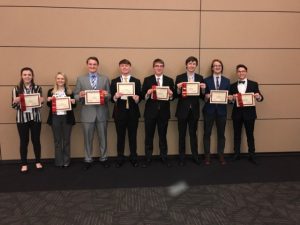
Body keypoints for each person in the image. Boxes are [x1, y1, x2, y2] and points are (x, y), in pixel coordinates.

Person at [73, 56, 111, 170]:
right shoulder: (80, 79)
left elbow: (109, 95)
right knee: (87, 138)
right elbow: (75, 95)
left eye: (94, 64)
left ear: (97, 66)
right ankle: (88, 159)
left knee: (103, 137)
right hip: (87, 113)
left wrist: (106, 94)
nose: (92, 66)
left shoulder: (105, 79)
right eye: (90, 64)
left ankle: (104, 158)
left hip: (101, 112)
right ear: (87, 65)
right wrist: (80, 95)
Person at [141, 58, 175, 168]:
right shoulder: (147, 80)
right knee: (149, 136)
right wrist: (147, 93)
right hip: (150, 113)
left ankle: (164, 157)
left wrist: (171, 94)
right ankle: (148, 157)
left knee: (163, 136)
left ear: (163, 67)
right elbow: (143, 96)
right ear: (153, 67)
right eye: (157, 66)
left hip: (164, 113)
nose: (159, 68)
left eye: (161, 66)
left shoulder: (169, 80)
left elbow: (172, 98)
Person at [175, 56, 206, 166]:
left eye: (194, 63)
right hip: (182, 110)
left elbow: (202, 96)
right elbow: (176, 95)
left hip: (194, 111)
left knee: (193, 134)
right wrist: (178, 88)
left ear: (196, 65)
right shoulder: (179, 77)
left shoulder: (200, 77)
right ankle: (181, 158)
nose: (192, 65)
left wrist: (203, 89)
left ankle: (195, 156)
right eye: (190, 63)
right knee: (181, 135)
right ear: (186, 65)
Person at [229, 64, 264, 164]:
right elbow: (230, 102)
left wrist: (258, 97)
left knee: (250, 135)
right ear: (237, 73)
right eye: (239, 71)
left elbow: (260, 98)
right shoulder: (232, 86)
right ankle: (236, 154)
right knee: (236, 135)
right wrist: (231, 99)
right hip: (237, 114)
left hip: (250, 114)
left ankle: (252, 155)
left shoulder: (254, 84)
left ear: (246, 72)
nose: (241, 73)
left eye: (243, 71)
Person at [11, 67, 44, 173]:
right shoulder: (16, 89)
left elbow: (40, 105)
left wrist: (41, 101)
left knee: (36, 141)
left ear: (32, 76)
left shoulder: (38, 88)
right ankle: (24, 163)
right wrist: (16, 101)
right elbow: (13, 106)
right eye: (25, 74)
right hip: (22, 119)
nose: (27, 76)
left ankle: (38, 161)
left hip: (35, 118)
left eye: (29, 74)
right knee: (24, 142)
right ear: (21, 76)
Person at [110, 59, 141, 168]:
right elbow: (111, 100)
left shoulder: (136, 81)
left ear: (130, 68)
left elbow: (139, 98)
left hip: (133, 113)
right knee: (120, 137)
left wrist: (137, 98)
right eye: (122, 66)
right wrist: (115, 97)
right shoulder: (114, 81)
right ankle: (120, 157)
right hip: (119, 114)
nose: (124, 68)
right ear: (120, 68)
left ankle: (134, 157)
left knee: (133, 137)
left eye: (127, 66)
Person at [203, 59, 232, 165]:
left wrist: (230, 98)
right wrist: (206, 96)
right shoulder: (206, 80)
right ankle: (207, 156)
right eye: (215, 66)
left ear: (221, 67)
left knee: (221, 134)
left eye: (219, 65)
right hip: (209, 111)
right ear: (212, 68)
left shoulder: (227, 81)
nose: (217, 67)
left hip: (222, 111)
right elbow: (203, 97)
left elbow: (229, 99)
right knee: (207, 134)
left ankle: (221, 155)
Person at [47, 72, 76, 168]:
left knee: (66, 140)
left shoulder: (69, 91)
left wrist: (73, 101)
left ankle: (66, 161)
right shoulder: (51, 91)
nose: (60, 80)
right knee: (57, 141)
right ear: (56, 80)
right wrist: (49, 100)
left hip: (67, 118)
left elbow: (74, 106)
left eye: (62, 79)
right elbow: (48, 105)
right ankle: (59, 162)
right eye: (58, 78)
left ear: (65, 80)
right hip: (55, 117)